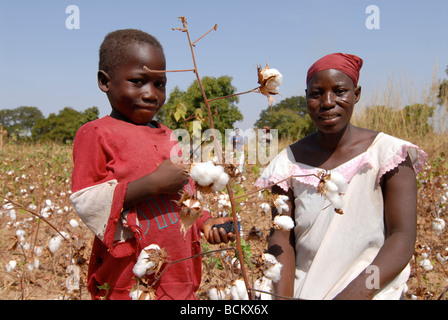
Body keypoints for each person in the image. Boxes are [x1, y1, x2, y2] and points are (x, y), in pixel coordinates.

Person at [70, 29, 235, 300]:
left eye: (159, 84)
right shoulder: (96, 133)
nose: (150, 94)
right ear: (104, 81)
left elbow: (186, 197)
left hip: (178, 276)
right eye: (138, 81)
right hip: (128, 283)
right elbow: (87, 200)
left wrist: (206, 223)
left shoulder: (169, 134)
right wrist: (154, 184)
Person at [255, 53, 427, 300]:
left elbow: (401, 238)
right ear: (306, 97)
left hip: (374, 293)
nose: (327, 102)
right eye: (316, 94)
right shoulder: (287, 163)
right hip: (307, 291)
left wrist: (356, 295)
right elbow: (282, 237)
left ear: (356, 94)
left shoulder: (389, 154)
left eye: (339, 91)